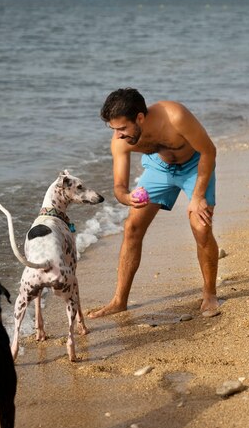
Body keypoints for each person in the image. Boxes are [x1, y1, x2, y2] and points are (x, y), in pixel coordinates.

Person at [88, 87, 220, 319]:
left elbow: (209, 151)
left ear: (140, 117)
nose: (117, 135)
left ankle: (209, 294)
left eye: (122, 128)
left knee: (201, 227)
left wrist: (198, 197)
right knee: (132, 228)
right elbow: (119, 187)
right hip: (159, 168)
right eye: (113, 129)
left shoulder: (175, 116)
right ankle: (120, 301)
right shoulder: (120, 141)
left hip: (195, 166)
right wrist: (127, 197)